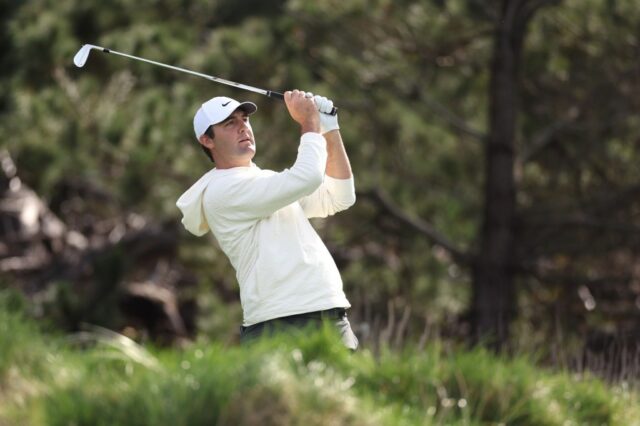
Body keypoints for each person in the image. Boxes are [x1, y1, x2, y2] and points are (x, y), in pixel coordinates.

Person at [176, 90, 358, 350]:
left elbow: (339, 196)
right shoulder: (221, 191)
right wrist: (309, 122)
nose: (243, 128)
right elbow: (307, 177)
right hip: (280, 323)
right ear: (207, 140)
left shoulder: (265, 181)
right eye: (230, 124)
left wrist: (329, 128)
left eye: (244, 120)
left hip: (328, 312)